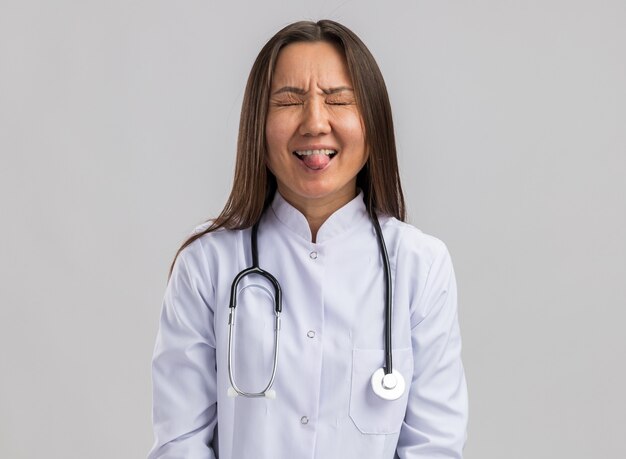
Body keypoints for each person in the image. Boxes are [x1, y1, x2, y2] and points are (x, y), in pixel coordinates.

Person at [148, 19, 467, 459]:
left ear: (373, 122)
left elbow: (434, 447)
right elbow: (180, 444)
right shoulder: (207, 265)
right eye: (288, 101)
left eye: (338, 100)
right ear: (257, 126)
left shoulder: (420, 267)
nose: (315, 123)